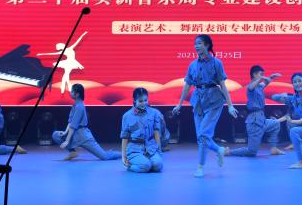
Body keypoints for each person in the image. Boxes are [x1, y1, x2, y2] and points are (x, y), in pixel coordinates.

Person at [172, 34, 239, 178]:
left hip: (214, 101)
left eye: (199, 43)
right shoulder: (192, 65)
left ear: (207, 45)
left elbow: (223, 85)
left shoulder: (216, 63)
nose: (196, 46)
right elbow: (187, 86)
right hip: (198, 102)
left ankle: (202, 165)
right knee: (200, 137)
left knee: (203, 134)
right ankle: (216, 153)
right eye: (195, 43)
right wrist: (179, 104)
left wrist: (230, 105)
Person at [52, 84, 121, 160]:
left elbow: (73, 125)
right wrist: (65, 132)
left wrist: (67, 141)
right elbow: (70, 121)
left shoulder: (79, 106)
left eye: (72, 91)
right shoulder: (75, 105)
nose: (70, 93)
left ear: (77, 94)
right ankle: (72, 152)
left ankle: (123, 154)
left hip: (83, 136)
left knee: (105, 157)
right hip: (74, 135)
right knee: (56, 135)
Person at [229, 65, 285, 157]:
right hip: (254, 122)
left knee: (275, 124)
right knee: (251, 151)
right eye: (261, 74)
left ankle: (274, 148)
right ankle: (229, 152)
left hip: (262, 119)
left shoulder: (259, 87)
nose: (263, 76)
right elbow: (250, 87)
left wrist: (271, 77)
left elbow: (265, 82)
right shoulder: (251, 86)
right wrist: (261, 78)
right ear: (254, 74)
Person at [121, 88, 164, 173]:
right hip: (135, 149)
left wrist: (159, 151)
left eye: (145, 100)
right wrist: (123, 156)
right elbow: (125, 137)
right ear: (134, 100)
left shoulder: (154, 112)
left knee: (158, 166)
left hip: (151, 147)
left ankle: (146, 163)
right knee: (146, 166)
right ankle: (130, 167)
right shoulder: (127, 116)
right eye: (140, 101)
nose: (143, 103)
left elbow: (156, 133)